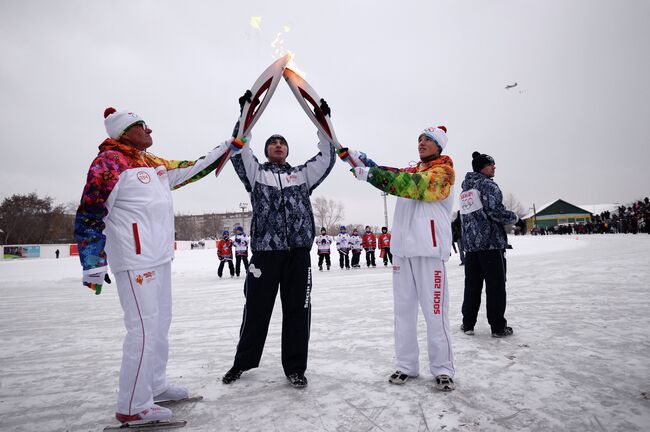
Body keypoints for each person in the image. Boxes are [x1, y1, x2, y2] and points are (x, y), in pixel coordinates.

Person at [75, 107, 243, 425]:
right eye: (142, 126)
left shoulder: (152, 164)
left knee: (160, 324)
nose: (150, 130)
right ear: (125, 131)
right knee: (141, 329)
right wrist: (93, 262)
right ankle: (133, 405)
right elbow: (89, 214)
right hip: (134, 261)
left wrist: (228, 147)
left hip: (160, 257)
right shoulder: (109, 163)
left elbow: (194, 168)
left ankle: (154, 385)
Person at [346, 125, 456, 391]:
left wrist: (370, 175)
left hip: (429, 253)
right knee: (403, 312)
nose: (421, 143)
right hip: (402, 253)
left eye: (427, 139)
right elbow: (389, 173)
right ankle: (406, 365)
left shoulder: (443, 174)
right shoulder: (411, 171)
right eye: (419, 139)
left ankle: (442, 368)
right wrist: (355, 157)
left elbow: (410, 186)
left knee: (435, 313)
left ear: (439, 146)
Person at [222, 130, 335, 388]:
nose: (278, 145)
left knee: (298, 311)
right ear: (266, 151)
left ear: (287, 150)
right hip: (265, 254)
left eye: (282, 142)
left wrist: (321, 124)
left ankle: (295, 368)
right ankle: (242, 362)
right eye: (272, 143)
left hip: (298, 253)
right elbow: (239, 149)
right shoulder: (256, 173)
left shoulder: (301, 175)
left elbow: (327, 158)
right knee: (255, 311)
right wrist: (245, 116)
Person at [459, 151, 526, 338]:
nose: (494, 167)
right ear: (482, 167)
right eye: (491, 164)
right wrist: (517, 219)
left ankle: (468, 323)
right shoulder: (488, 186)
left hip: (472, 246)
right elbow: (495, 211)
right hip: (490, 244)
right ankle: (498, 327)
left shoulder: (465, 189)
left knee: (472, 286)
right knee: (495, 286)